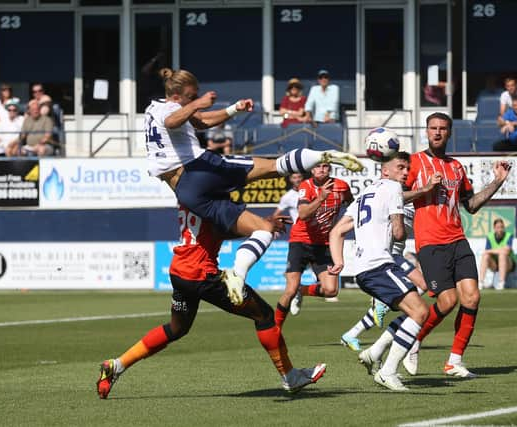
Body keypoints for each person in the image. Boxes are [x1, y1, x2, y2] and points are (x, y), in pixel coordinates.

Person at [144, 68, 363, 307]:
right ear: (178, 96)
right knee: (272, 166)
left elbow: (200, 121)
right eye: (191, 95)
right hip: (198, 169)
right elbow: (173, 119)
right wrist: (199, 102)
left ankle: (237, 274)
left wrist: (233, 109)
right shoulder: (171, 110)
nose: (195, 100)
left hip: (186, 192)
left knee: (263, 229)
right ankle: (324, 155)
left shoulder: (154, 107)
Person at [96, 204, 326, 399]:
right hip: (202, 276)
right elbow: (220, 228)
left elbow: (214, 232)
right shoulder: (212, 200)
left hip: (180, 272)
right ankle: (290, 376)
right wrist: (262, 226)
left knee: (177, 328)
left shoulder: (190, 196)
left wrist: (259, 223)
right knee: (264, 315)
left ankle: (116, 365)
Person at [399, 112, 511, 379]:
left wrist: (497, 182)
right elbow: (396, 196)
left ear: (449, 133)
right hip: (430, 242)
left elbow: (470, 205)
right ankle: (415, 339)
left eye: (443, 129)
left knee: (472, 297)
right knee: (447, 301)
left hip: (458, 239)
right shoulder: (414, 163)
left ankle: (454, 361)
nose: (437, 132)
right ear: (426, 132)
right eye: (433, 128)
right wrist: (424, 188)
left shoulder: (456, 168)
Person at [329, 151, 429, 391]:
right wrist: (400, 231)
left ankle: (375, 353)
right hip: (380, 264)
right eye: (400, 167)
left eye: (407, 168)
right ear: (385, 170)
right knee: (420, 311)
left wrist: (338, 261)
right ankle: (388, 371)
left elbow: (336, 232)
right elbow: (398, 232)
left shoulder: (364, 194)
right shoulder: (393, 189)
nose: (405, 172)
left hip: (364, 270)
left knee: (412, 311)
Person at [274, 163, 352, 324]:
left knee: (331, 291)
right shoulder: (306, 186)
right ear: (311, 170)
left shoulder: (341, 186)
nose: (321, 169)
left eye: (325, 166)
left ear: (330, 168)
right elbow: (302, 214)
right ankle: (274, 329)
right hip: (300, 241)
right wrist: (321, 197)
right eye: (317, 167)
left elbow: (352, 204)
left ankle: (302, 290)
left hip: (323, 244)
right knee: (289, 289)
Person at [479, 218, 517, 290]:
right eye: (498, 227)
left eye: (502, 227)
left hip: (509, 264)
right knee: (485, 256)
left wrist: (491, 251)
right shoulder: (490, 237)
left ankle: (501, 283)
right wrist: (496, 251)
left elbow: (507, 251)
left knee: (502, 255)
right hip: (495, 264)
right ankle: (481, 282)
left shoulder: (509, 236)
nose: (500, 229)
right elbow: (487, 252)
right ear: (494, 228)